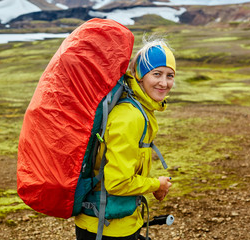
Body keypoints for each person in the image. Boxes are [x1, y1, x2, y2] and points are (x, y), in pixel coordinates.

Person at [75, 37, 176, 240]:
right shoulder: (131, 116)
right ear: (139, 75)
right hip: (108, 227)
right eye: (156, 74)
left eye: (170, 75)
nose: (164, 83)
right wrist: (157, 184)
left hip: (107, 220)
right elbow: (117, 182)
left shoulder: (138, 107)